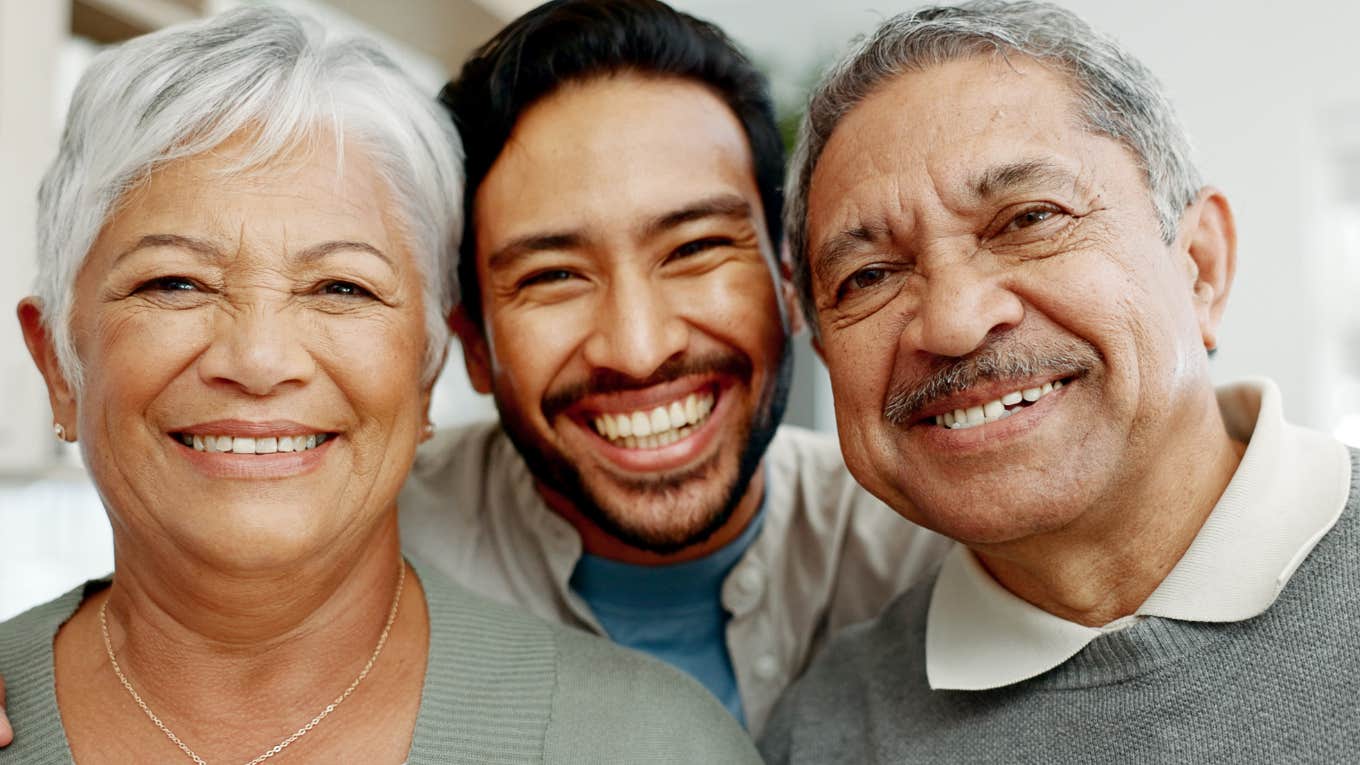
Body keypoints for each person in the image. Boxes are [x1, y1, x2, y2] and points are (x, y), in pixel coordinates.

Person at [0, 7, 761, 762]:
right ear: (58, 364)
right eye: (175, 282)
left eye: (341, 287)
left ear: (429, 366)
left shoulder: (652, 742)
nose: (260, 359)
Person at [760, 1, 1360, 761]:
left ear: (1200, 266)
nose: (952, 322)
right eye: (869, 275)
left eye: (1027, 220)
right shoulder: (822, 732)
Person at [395, 0, 951, 735]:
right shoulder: (376, 552)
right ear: (471, 343)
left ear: (792, 281)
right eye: (553, 275)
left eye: (695, 249)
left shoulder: (933, 549)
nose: (638, 347)